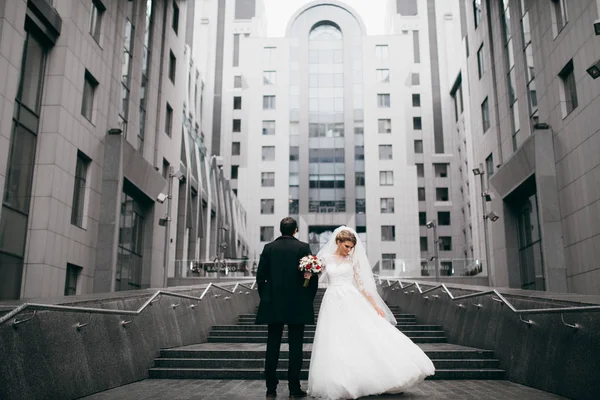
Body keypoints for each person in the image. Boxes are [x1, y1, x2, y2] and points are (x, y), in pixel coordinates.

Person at [308, 226, 435, 399]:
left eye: (351, 247)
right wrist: (308, 272)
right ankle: (339, 381)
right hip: (331, 300)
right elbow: (314, 274)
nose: (349, 250)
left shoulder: (352, 261)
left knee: (363, 334)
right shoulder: (325, 259)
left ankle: (379, 376)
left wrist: (376, 306)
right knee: (334, 338)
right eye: (346, 246)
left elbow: (362, 286)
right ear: (338, 242)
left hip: (351, 298)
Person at [255, 217, 318, 398]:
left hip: (273, 304)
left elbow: (260, 278)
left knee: (272, 344)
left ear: (280, 229)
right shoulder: (303, 248)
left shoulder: (269, 248)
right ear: (295, 230)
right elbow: (311, 277)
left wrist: (266, 298)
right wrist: (307, 298)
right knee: (296, 346)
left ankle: (271, 387)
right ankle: (294, 386)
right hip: (297, 304)